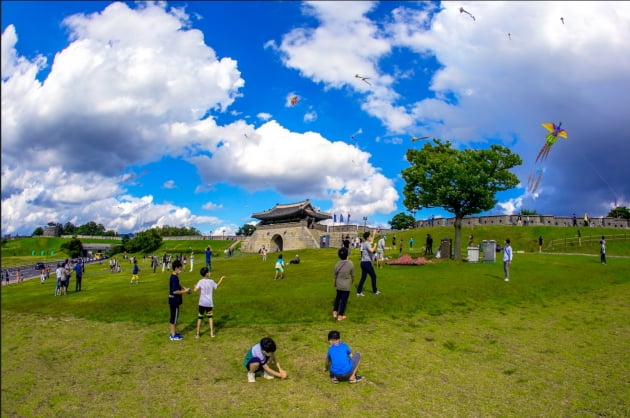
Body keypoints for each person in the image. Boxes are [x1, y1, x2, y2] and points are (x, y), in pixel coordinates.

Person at [194, 267, 225, 338]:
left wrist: (195, 286)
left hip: (201, 303)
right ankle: (211, 333)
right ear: (206, 274)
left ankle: (198, 334)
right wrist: (221, 279)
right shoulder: (211, 281)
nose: (210, 273)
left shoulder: (200, 281)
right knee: (210, 317)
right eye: (209, 272)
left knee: (200, 318)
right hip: (209, 304)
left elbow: (195, 290)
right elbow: (217, 285)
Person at [168, 259, 191, 341]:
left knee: (173, 317)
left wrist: (184, 288)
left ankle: (172, 333)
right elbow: (175, 291)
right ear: (176, 268)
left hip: (172, 300)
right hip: (174, 300)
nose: (181, 270)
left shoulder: (174, 276)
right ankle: (173, 335)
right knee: (174, 318)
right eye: (180, 269)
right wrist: (185, 291)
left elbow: (179, 284)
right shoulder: (174, 278)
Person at [333, 247, 354, 321]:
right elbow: (352, 275)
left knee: (338, 298)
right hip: (346, 285)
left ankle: (335, 312)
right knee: (344, 300)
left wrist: (335, 283)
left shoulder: (337, 264)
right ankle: (340, 315)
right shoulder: (350, 263)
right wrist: (352, 281)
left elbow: (335, 276)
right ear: (347, 255)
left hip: (339, 284)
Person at [357, 231, 380, 296]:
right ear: (367, 237)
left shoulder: (365, 243)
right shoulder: (367, 244)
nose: (370, 237)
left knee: (363, 278)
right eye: (369, 236)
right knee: (373, 276)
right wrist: (375, 246)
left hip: (363, 263)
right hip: (367, 263)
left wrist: (374, 234)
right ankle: (375, 291)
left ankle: (359, 292)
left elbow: (371, 241)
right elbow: (372, 250)